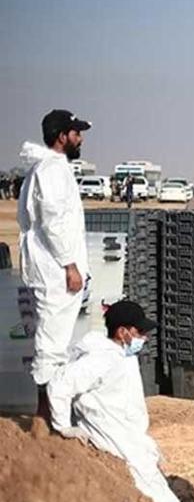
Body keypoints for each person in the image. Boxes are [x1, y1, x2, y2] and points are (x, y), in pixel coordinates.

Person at [47, 300, 185, 502]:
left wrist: (148, 447)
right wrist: (63, 426)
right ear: (122, 332)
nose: (144, 338)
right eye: (138, 332)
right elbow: (60, 384)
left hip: (132, 444)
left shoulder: (123, 356)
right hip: (119, 447)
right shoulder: (102, 358)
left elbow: (128, 409)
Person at [17, 109, 91, 425]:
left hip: (55, 269)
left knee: (57, 342)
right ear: (62, 136)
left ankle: (53, 412)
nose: (81, 138)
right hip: (55, 272)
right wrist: (69, 265)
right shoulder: (50, 171)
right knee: (51, 344)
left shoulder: (52, 169)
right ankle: (46, 417)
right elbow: (52, 222)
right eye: (76, 133)